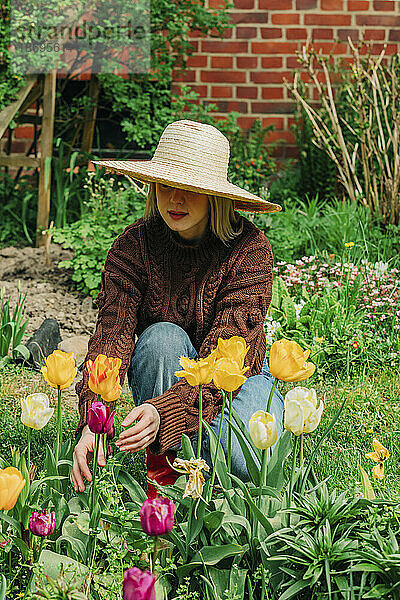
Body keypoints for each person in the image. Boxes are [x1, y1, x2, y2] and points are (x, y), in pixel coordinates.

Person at [70, 119, 284, 497]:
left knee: (243, 459)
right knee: (161, 338)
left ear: (216, 195)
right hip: (165, 367)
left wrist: (163, 411)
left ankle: (177, 449)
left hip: (238, 376)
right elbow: (112, 336)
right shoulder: (133, 247)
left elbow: (227, 354)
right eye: (166, 185)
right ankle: (164, 471)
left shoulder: (249, 251)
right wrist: (95, 420)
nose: (175, 200)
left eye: (190, 189)